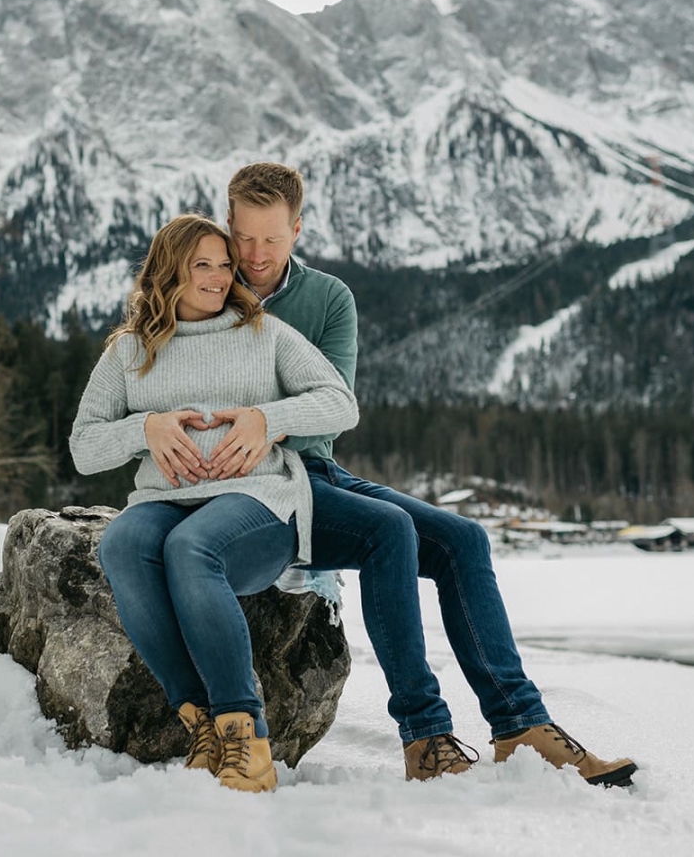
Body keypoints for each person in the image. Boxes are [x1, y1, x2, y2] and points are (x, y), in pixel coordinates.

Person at [215, 161, 638, 786]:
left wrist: (263, 418)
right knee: (391, 529)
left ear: (297, 230)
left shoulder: (329, 299)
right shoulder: (204, 284)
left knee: (465, 540)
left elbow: (329, 415)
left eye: (270, 239)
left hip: (320, 469)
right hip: (257, 484)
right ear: (228, 224)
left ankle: (519, 724)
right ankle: (426, 736)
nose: (254, 254)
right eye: (243, 237)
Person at [68, 214, 359, 794]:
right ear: (167, 270)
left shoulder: (265, 333)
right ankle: (203, 723)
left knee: (192, 548)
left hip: (259, 502)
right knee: (124, 542)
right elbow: (83, 448)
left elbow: (339, 403)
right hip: (166, 498)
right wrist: (143, 428)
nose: (220, 276)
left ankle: (247, 738)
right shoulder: (130, 352)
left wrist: (268, 419)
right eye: (203, 264)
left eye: (225, 264)